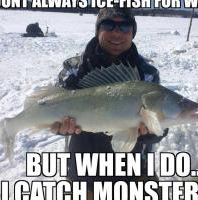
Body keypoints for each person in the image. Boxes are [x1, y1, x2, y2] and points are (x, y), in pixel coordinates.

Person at [51, 6, 162, 198]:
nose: (117, 32)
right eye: (109, 25)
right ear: (98, 30)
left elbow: (164, 122)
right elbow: (55, 108)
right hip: (84, 171)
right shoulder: (74, 69)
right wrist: (60, 126)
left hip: (134, 173)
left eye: (125, 27)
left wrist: (149, 132)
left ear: (133, 33)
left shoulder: (147, 74)